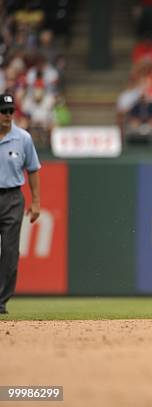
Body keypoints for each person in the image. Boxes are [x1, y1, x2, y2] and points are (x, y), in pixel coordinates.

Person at [0, 94, 41, 314]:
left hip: (12, 198)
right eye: (3, 111)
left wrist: (36, 202)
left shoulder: (23, 138)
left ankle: (1, 301)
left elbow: (33, 169)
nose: (7, 115)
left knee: (9, 251)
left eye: (10, 111)